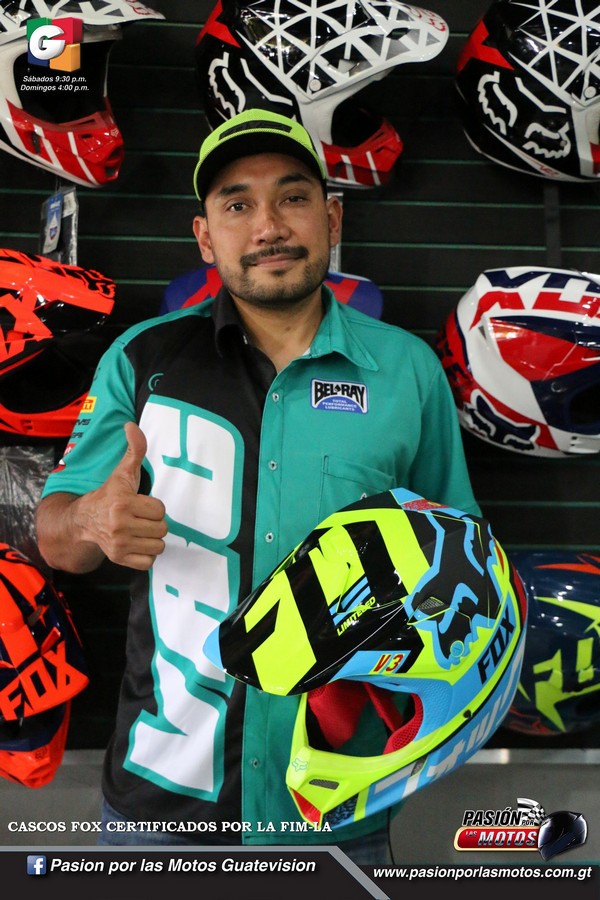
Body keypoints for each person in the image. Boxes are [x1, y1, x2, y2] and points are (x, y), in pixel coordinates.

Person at [35, 108, 481, 865]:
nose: (269, 225)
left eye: (293, 197)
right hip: (159, 815)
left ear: (332, 217)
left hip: (338, 807)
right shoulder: (141, 362)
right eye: (237, 204)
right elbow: (57, 541)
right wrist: (90, 523)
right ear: (205, 237)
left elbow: (461, 561)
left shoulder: (407, 371)